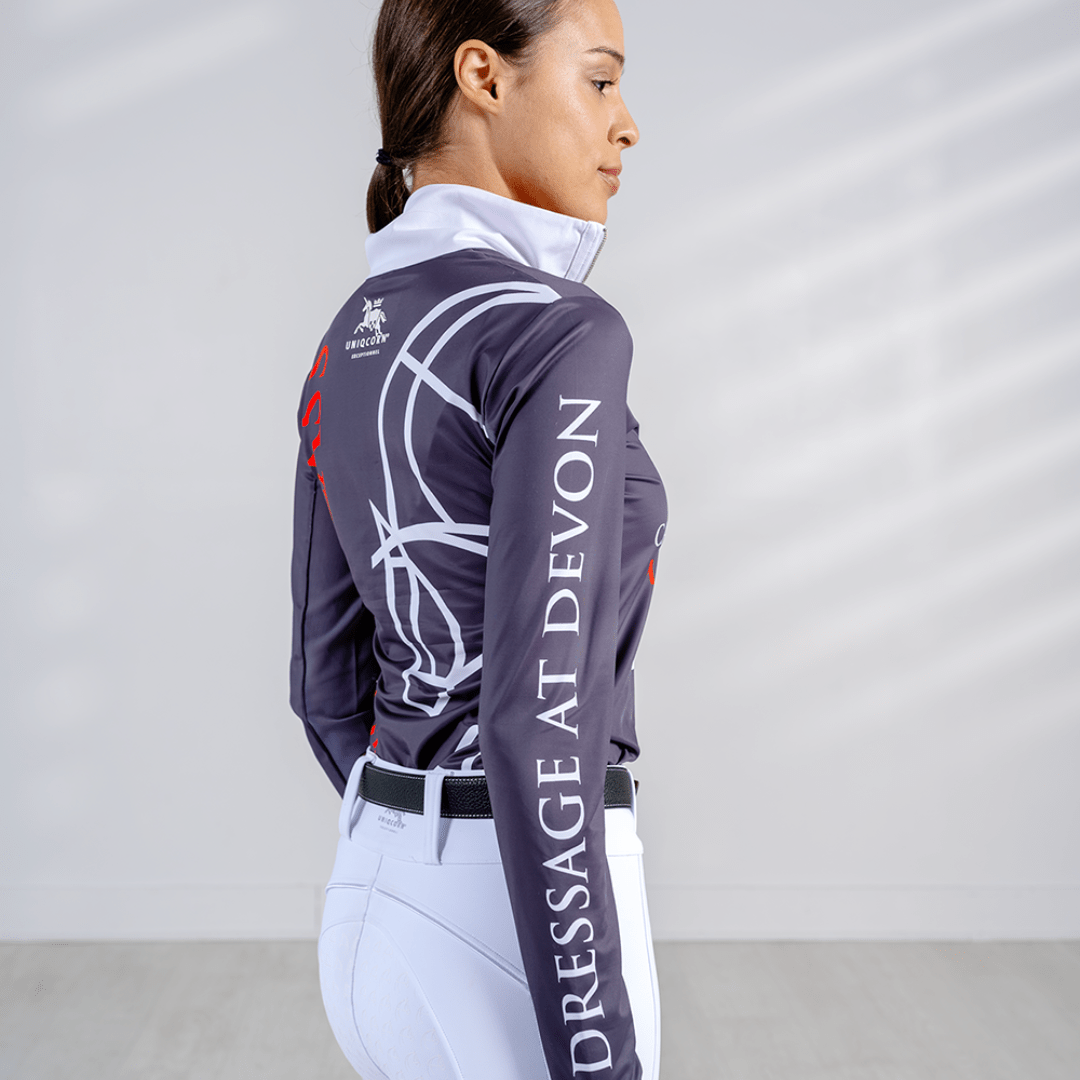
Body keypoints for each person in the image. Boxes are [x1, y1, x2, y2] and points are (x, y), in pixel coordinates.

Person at [289, 0, 666, 1076]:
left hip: (374, 906)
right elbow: (539, 726)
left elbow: (324, 688)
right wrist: (595, 1052)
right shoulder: (560, 332)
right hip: (514, 927)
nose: (628, 123)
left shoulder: (350, 336)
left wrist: (416, 844)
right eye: (601, 79)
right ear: (483, 77)